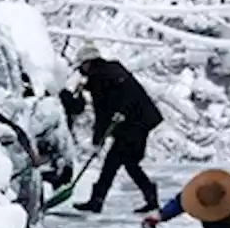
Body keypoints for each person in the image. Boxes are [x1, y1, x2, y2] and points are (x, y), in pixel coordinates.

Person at [59, 44, 163, 213]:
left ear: (89, 63)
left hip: (134, 124)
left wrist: (98, 138)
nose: (81, 70)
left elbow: (104, 111)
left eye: (82, 66)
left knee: (113, 162)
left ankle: (97, 200)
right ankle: (149, 197)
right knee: (128, 163)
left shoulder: (101, 77)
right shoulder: (108, 71)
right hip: (136, 122)